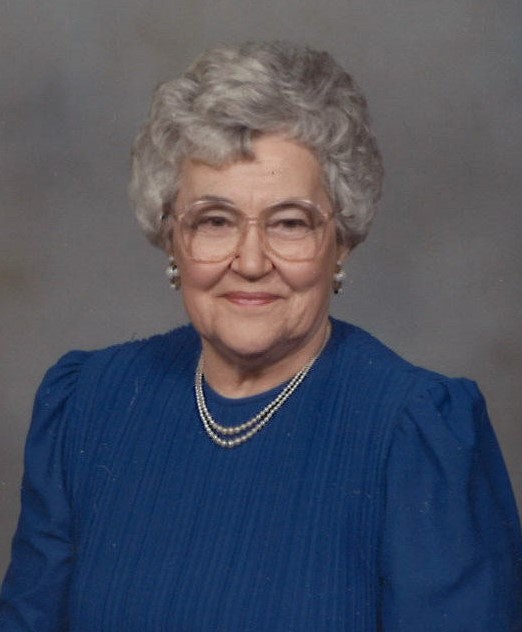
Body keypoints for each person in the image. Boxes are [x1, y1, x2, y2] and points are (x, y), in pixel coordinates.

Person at [1, 41, 521, 631]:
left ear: (341, 242)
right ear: (172, 238)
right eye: (215, 221)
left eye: (290, 223)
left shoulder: (417, 433)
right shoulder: (86, 404)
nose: (250, 262)